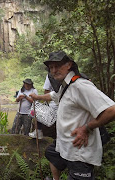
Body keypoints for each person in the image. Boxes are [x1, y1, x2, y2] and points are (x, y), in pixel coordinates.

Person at [30, 51, 115, 180]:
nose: (53, 70)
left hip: (79, 153)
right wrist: (37, 97)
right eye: (51, 67)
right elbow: (54, 96)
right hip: (65, 146)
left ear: (69, 65)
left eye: (57, 66)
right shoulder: (66, 86)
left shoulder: (80, 86)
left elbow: (111, 110)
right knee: (51, 153)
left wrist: (87, 128)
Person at [29, 73, 59, 139]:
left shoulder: (50, 75)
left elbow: (47, 91)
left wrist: (38, 97)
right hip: (62, 105)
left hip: (54, 105)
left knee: (37, 111)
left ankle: (38, 131)